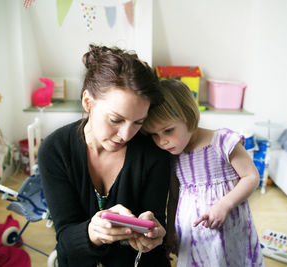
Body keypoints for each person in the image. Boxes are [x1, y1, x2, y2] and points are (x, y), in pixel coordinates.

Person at [38, 45, 171, 267]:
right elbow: (65, 244)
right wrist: (91, 233)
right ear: (87, 102)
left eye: (138, 122)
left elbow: (157, 224)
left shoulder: (153, 153)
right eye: (116, 120)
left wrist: (155, 235)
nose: (126, 134)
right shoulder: (55, 150)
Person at [142, 79, 264, 266]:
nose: (162, 141)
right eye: (154, 135)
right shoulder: (173, 156)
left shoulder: (223, 141)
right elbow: (174, 198)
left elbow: (251, 177)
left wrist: (225, 205)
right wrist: (171, 232)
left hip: (230, 232)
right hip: (193, 239)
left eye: (168, 130)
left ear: (189, 116)